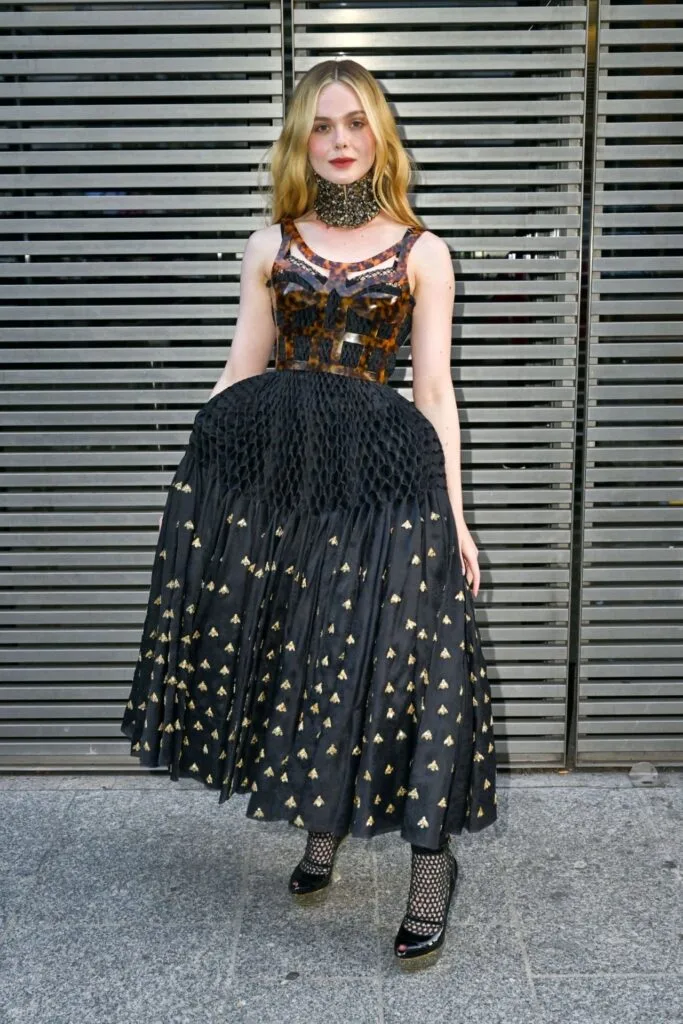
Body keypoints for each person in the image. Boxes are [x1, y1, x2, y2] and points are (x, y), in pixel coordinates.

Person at [121, 56, 497, 969]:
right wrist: (198, 489)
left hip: (382, 480)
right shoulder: (270, 245)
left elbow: (434, 391)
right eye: (322, 125)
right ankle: (321, 827)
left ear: (380, 136)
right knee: (307, 650)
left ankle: (431, 869)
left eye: (355, 123)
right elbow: (239, 368)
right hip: (288, 484)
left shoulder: (422, 252)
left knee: (410, 665)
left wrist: (454, 516)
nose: (339, 141)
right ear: (301, 138)